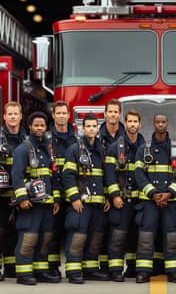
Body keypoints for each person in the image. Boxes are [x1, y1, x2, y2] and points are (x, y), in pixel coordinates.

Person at [134, 114, 176, 283]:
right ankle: (143, 271)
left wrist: (170, 193)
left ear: (167, 124)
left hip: (171, 201)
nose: (160, 125)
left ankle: (174, 271)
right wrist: (153, 194)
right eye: (157, 122)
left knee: (171, 237)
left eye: (163, 122)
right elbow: (139, 174)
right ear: (153, 124)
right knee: (146, 237)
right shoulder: (144, 148)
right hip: (150, 202)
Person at [12, 112, 61, 285]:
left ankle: (41, 271)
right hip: (30, 204)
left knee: (45, 237)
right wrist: (22, 198)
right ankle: (23, 273)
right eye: (36, 125)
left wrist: (56, 199)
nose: (39, 128)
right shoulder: (22, 149)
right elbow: (16, 176)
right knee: (29, 237)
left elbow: (53, 175)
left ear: (46, 128)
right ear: (30, 127)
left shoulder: (48, 149)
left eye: (42, 125)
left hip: (46, 204)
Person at [62, 113, 109, 284]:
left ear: (97, 129)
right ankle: (73, 271)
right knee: (78, 235)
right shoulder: (74, 149)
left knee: (95, 236)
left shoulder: (101, 150)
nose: (91, 129)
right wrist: (74, 198)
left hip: (97, 203)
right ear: (83, 129)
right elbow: (68, 176)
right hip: (81, 203)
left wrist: (107, 197)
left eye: (93, 126)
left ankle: (89, 269)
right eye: (87, 126)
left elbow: (105, 176)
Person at [105, 110, 145, 282]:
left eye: (135, 121)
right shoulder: (115, 147)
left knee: (136, 235)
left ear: (140, 124)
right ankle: (115, 270)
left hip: (139, 200)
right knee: (118, 235)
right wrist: (114, 195)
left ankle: (133, 267)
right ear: (125, 123)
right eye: (129, 121)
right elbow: (109, 174)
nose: (132, 124)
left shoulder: (145, 146)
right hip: (121, 200)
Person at [47, 101, 77, 277]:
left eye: (64, 113)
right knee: (53, 231)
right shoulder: (47, 138)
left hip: (73, 193)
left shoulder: (77, 138)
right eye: (58, 113)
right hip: (55, 193)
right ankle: (53, 267)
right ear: (53, 115)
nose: (61, 116)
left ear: (68, 115)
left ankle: (73, 268)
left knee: (73, 230)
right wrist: (54, 196)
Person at [0, 102, 27, 280]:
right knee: (1, 230)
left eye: (15, 114)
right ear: (4, 117)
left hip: (21, 194)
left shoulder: (27, 139)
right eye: (9, 114)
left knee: (17, 231)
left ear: (20, 116)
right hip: (1, 195)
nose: (12, 117)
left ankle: (11, 266)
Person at [99, 99, 125, 273]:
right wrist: (104, 194)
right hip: (100, 189)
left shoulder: (129, 137)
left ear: (119, 114)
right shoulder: (97, 137)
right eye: (111, 111)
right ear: (105, 114)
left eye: (116, 112)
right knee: (101, 230)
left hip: (121, 192)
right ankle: (103, 266)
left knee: (121, 230)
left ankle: (126, 267)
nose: (113, 115)